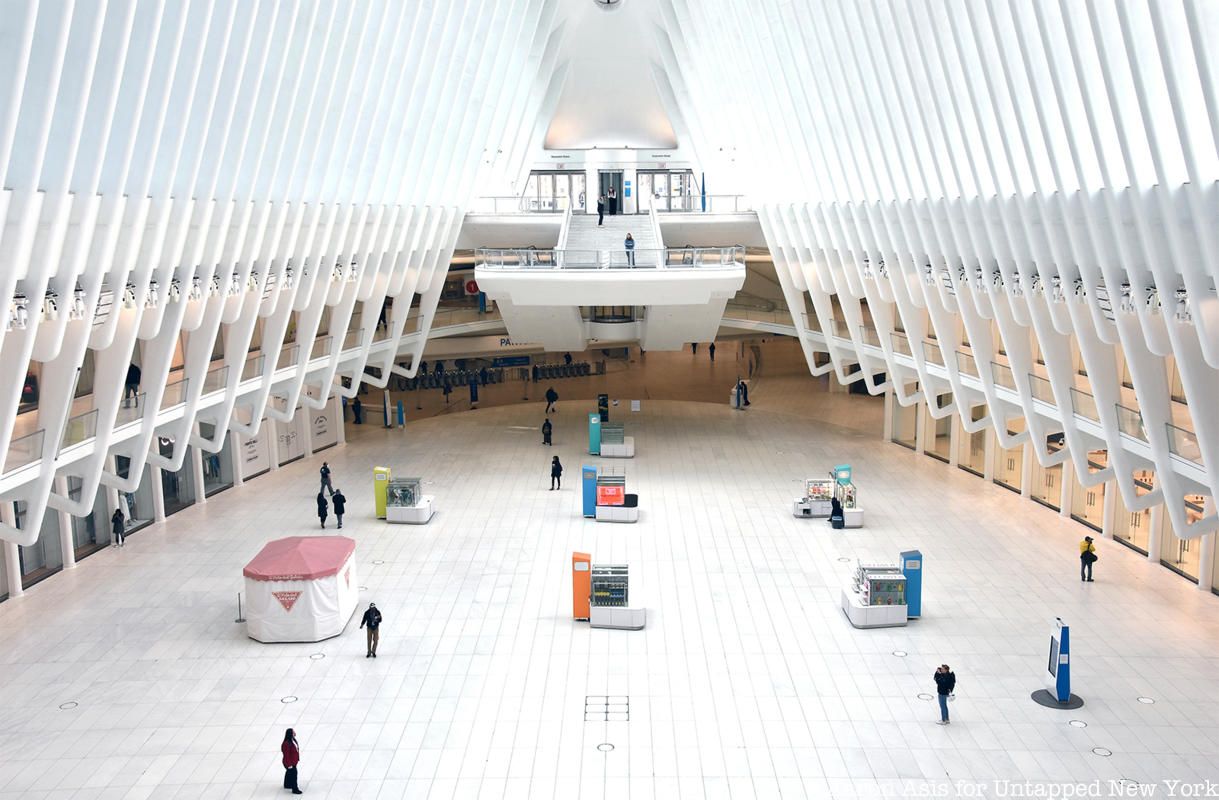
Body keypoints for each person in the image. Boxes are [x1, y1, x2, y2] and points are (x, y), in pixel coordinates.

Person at [281, 729, 303, 794]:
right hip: (289, 763)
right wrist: (289, 764)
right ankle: (295, 789)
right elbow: (286, 755)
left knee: (289, 773)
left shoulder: (293, 740)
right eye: (293, 732)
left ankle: (287, 784)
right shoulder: (286, 744)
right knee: (294, 775)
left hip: (293, 761)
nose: (295, 733)